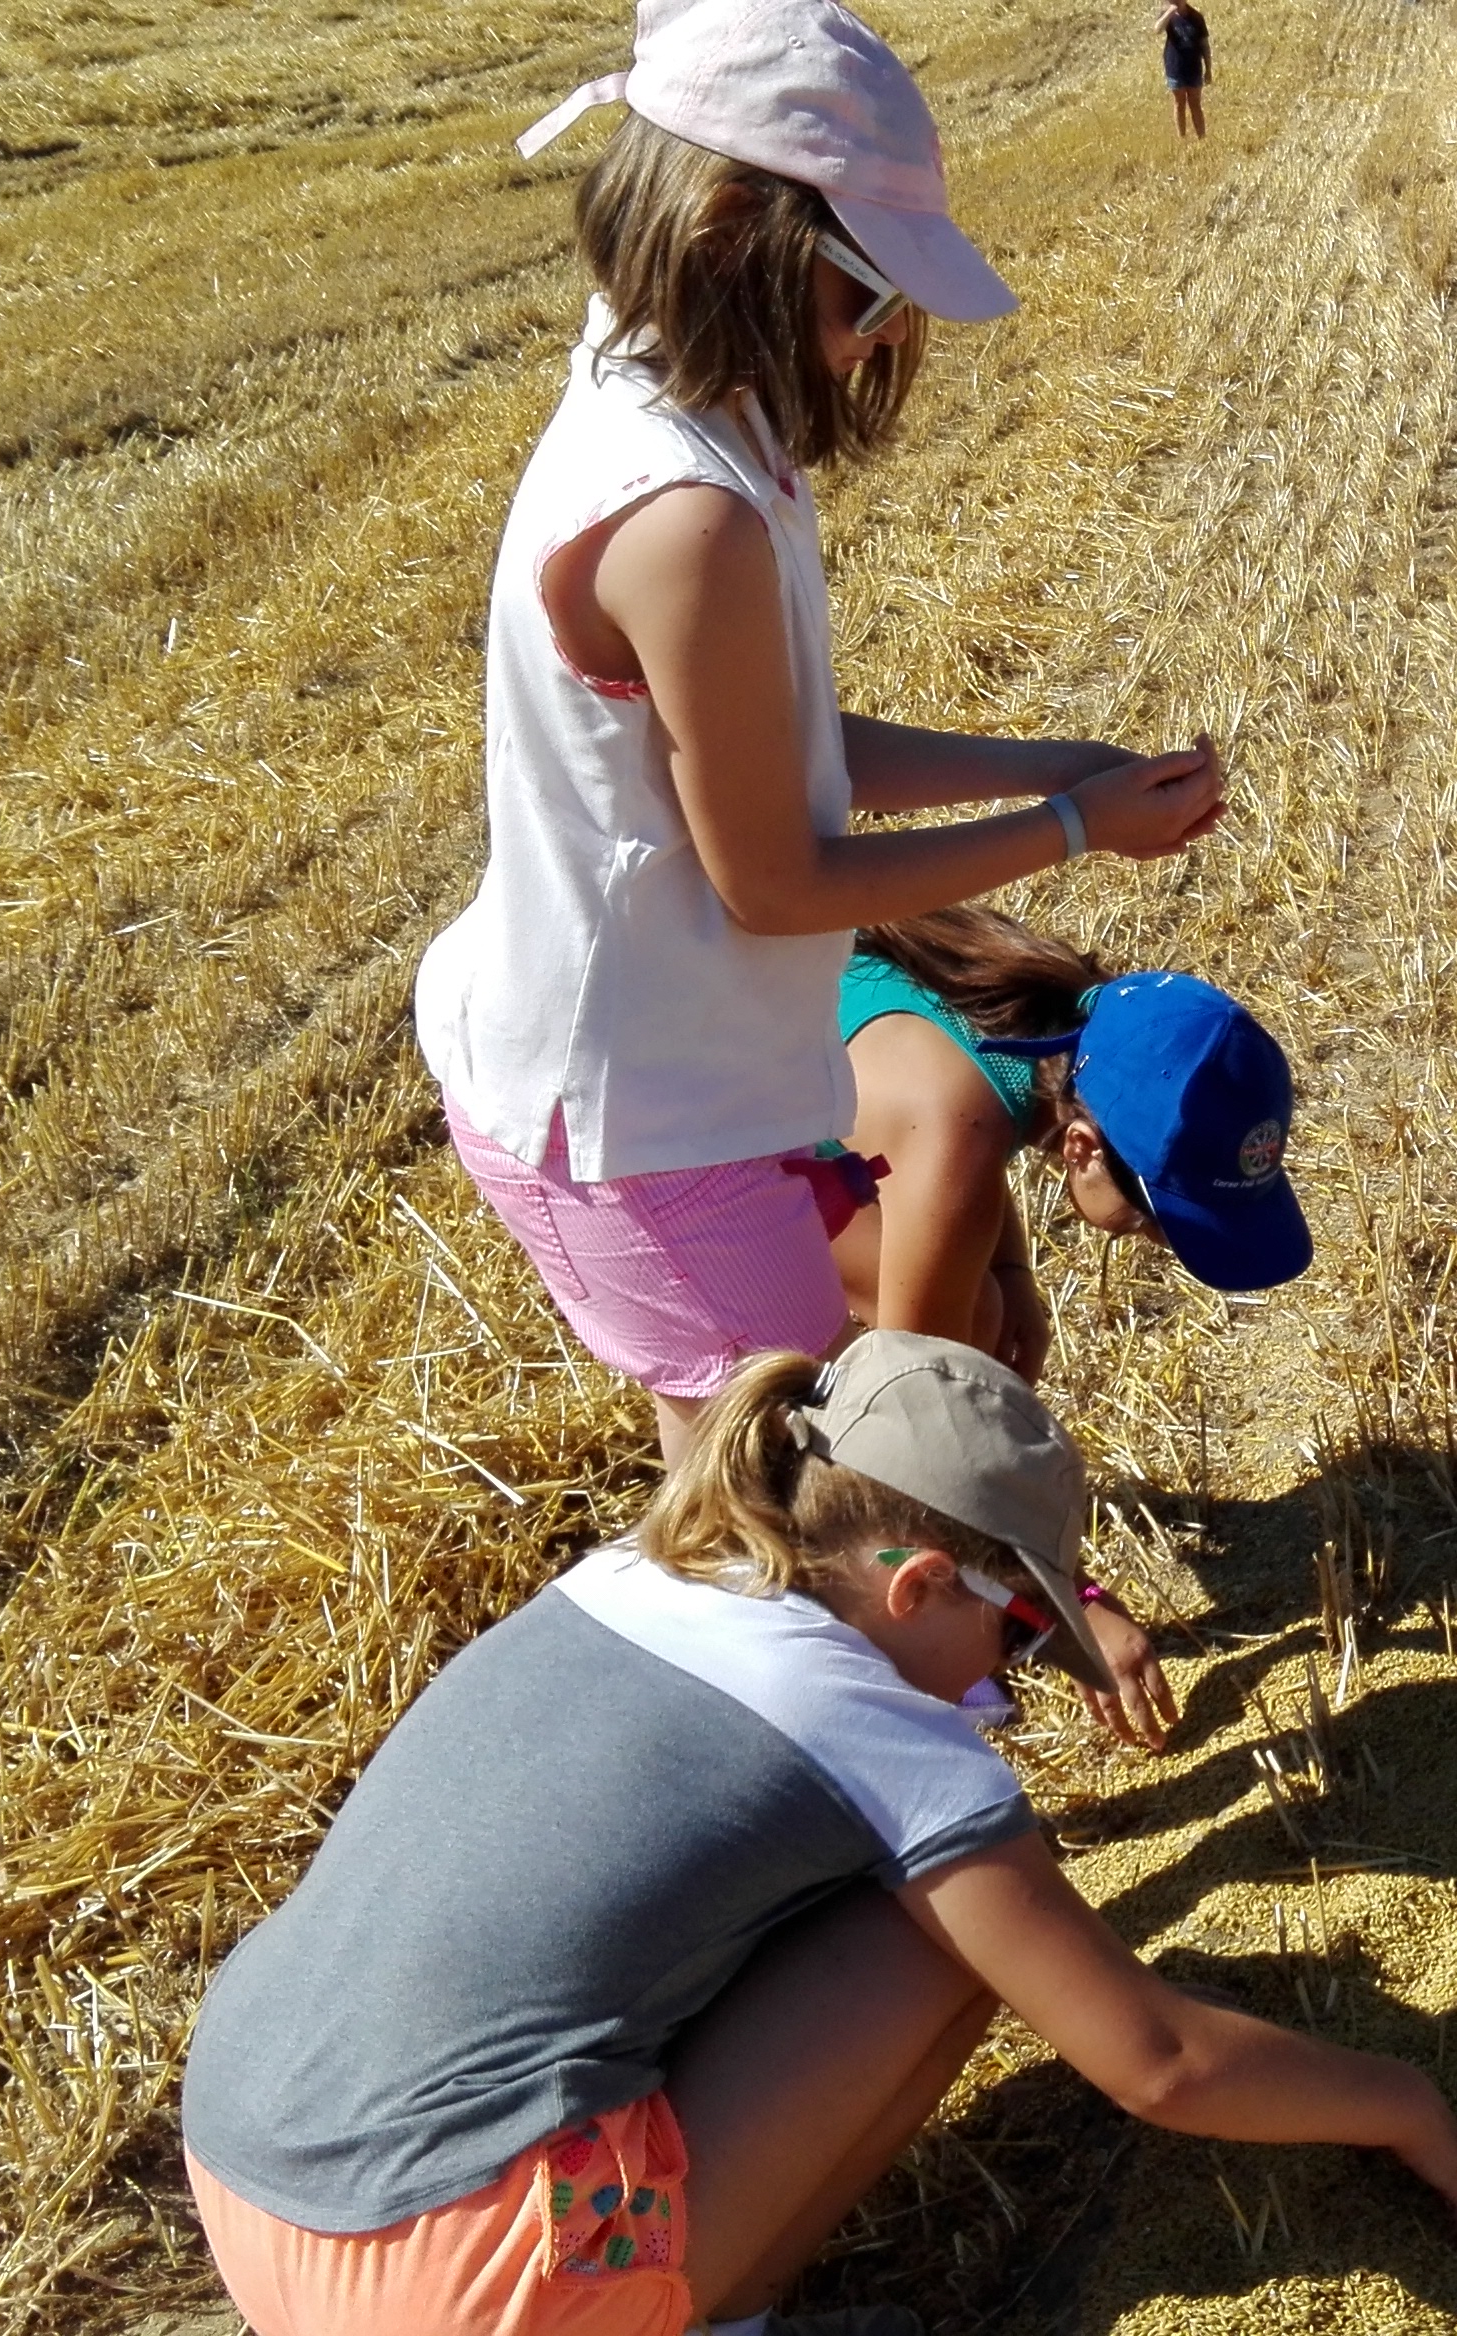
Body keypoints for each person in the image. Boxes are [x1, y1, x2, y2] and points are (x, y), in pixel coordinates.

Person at [181, 1333, 1457, 2336]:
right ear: (919, 1581)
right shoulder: (866, 1724)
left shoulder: (632, 1576)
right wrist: (1399, 2102)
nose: (1010, 1668)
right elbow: (1159, 2063)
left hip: (247, 2170)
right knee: (961, 1940)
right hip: (459, 2282)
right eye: (1014, 1628)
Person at [423, 0, 1230, 1467]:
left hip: (683, 1076)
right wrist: (1072, 834)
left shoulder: (688, 401)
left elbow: (796, 742)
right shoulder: (684, 515)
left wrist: (1056, 769)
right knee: (776, 1513)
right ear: (734, 227)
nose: (882, 340)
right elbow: (779, 881)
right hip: (629, 1112)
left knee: (760, 1498)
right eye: (865, 294)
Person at [828, 909, 1313, 1369]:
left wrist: (1013, 1272)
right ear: (1082, 1148)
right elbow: (914, 1391)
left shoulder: (1030, 1013)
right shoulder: (950, 1128)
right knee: (973, 1330)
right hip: (756, 1152)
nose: (1156, 1243)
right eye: (1145, 1221)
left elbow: (966, 1160)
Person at [1157, 0, 1209, 139]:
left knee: (1195, 103)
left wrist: (1208, 68)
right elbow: (1157, 29)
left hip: (1193, 67)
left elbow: (1204, 45)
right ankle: (1182, 138)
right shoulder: (1168, 16)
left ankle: (1202, 137)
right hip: (1175, 66)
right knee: (1179, 103)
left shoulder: (1197, 17)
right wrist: (1169, 12)